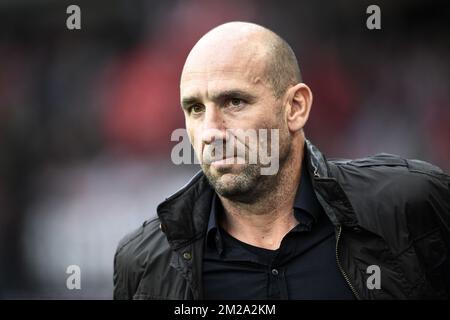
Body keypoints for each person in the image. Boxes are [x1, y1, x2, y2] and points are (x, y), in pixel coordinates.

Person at [113, 21, 450, 300]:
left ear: (295, 107)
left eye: (234, 102)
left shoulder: (410, 204)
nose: (210, 131)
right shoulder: (144, 263)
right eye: (195, 109)